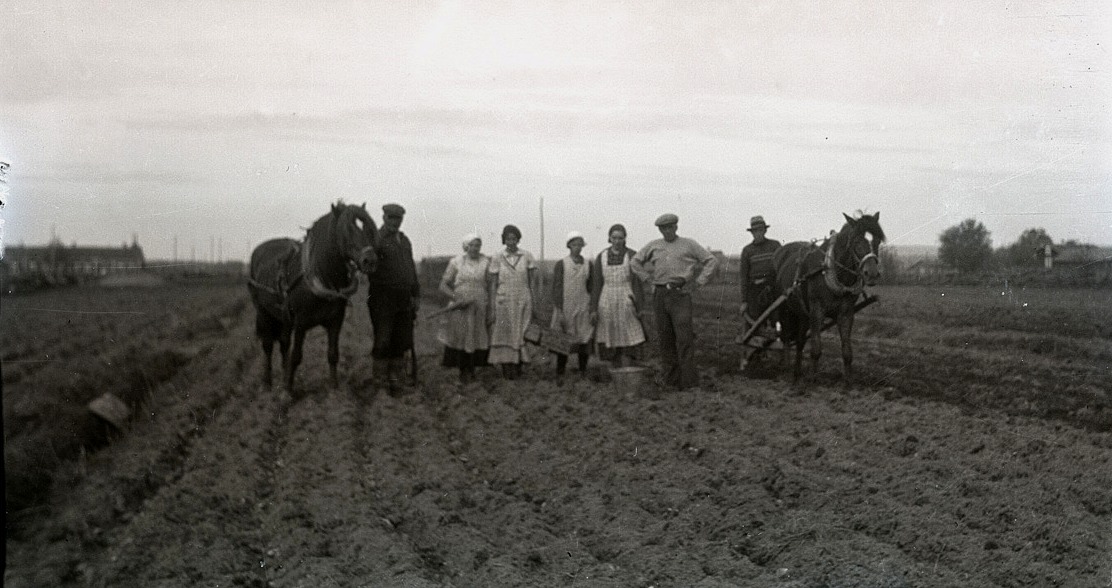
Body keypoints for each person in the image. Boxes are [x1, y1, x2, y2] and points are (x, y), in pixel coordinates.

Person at [630, 213, 719, 390]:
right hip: (660, 294)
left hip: (680, 294)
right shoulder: (654, 246)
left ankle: (689, 382)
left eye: (669, 227)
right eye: (663, 228)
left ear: (676, 227)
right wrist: (648, 279)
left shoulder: (688, 244)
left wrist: (698, 282)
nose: (666, 231)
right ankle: (671, 380)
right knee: (665, 338)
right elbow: (635, 262)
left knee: (684, 338)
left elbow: (711, 261)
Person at [366, 203, 420, 394]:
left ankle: (396, 380)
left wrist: (416, 294)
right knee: (383, 340)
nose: (395, 222)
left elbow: (411, 270)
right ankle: (380, 382)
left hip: (404, 299)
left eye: (398, 219)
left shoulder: (404, 241)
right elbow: (368, 266)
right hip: (383, 298)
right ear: (384, 218)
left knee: (401, 340)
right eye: (391, 218)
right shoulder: (376, 240)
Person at [589, 223, 646, 367]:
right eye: (614, 237)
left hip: (626, 297)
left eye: (620, 238)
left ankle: (627, 370)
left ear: (625, 239)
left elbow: (637, 284)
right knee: (611, 335)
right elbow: (596, 285)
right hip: (606, 298)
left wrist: (640, 307)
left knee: (628, 334)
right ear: (609, 238)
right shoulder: (601, 257)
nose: (617, 241)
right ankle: (615, 372)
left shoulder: (632, 256)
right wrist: (593, 309)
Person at [438, 233, 491, 384]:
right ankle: (462, 371)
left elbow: (490, 284)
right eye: (472, 245)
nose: (475, 248)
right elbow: (443, 285)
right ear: (466, 246)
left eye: (478, 245)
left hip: (479, 304)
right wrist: (456, 298)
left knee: (475, 336)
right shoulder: (456, 262)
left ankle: (472, 370)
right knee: (461, 337)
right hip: (460, 305)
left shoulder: (485, 262)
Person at [488, 224, 539, 379]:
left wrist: (534, 300)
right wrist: (492, 305)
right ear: (504, 240)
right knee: (505, 333)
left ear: (518, 239)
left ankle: (518, 367)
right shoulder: (497, 257)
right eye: (509, 239)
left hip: (523, 298)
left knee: (521, 332)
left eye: (514, 238)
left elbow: (532, 281)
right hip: (504, 299)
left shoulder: (527, 256)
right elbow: (493, 283)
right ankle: (506, 368)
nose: (512, 242)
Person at [550, 231, 594, 376]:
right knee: (563, 341)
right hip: (566, 307)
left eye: (580, 245)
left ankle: (582, 370)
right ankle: (560, 371)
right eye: (574, 244)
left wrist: (591, 307)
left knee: (584, 338)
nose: (577, 248)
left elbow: (591, 287)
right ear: (569, 246)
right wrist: (559, 311)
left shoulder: (588, 264)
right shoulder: (562, 264)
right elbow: (556, 288)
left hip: (583, 306)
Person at [739, 215, 782, 333]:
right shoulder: (747, 251)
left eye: (760, 230)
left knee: (778, 316)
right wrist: (744, 301)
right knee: (755, 321)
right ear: (752, 233)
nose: (758, 233)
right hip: (755, 291)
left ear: (765, 230)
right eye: (755, 231)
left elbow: (782, 267)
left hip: (773, 289)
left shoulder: (775, 246)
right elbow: (743, 277)